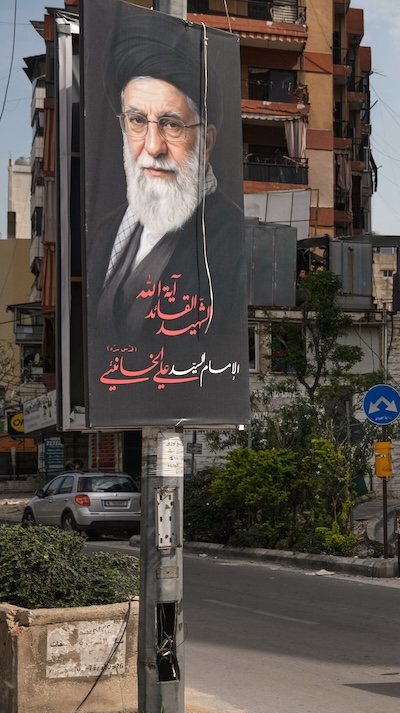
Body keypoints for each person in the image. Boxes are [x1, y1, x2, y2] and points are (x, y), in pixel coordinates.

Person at [86, 7, 245, 421]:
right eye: (138, 121)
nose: (152, 146)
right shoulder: (107, 233)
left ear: (206, 140)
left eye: (172, 125)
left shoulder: (228, 240)